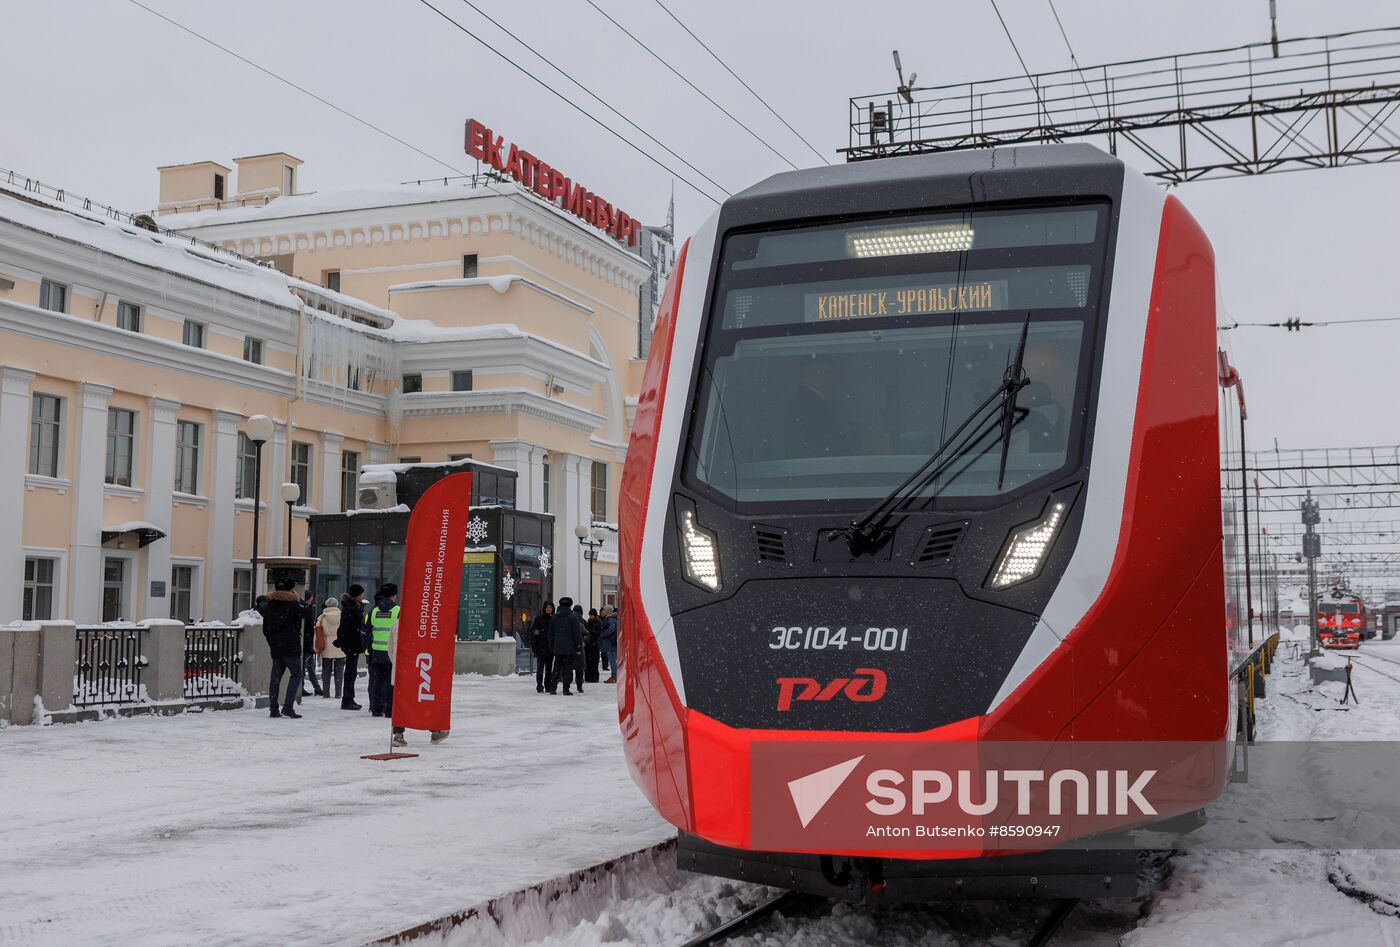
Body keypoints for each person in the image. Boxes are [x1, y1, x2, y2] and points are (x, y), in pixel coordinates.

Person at [258, 578, 306, 719]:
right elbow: (307, 614)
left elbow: (265, 629)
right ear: (291, 590)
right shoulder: (293, 605)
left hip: (276, 647)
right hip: (291, 646)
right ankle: (288, 706)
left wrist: (273, 641)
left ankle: (273, 709)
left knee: (276, 677)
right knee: (296, 674)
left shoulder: (269, 605)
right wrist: (299, 600)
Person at [366, 584, 398, 719]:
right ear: (393, 596)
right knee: (390, 681)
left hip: (376, 651)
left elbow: (367, 632)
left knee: (377, 680)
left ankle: (376, 708)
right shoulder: (397, 610)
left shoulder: (373, 611)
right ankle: (389, 709)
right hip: (391, 652)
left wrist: (369, 649)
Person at [335, 584, 366, 711]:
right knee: (350, 672)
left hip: (352, 643)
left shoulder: (353, 607)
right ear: (357, 595)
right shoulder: (351, 609)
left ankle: (349, 698)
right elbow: (345, 627)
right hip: (351, 644)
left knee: (351, 672)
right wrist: (342, 641)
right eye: (361, 593)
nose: (363, 596)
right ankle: (347, 699)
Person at [548, 597, 584, 695]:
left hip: (557, 647)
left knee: (556, 668)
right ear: (570, 605)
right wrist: (578, 647)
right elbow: (577, 634)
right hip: (570, 648)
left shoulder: (554, 617)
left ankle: (553, 688)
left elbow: (550, 634)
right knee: (568, 669)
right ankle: (566, 689)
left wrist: (551, 646)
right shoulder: (573, 617)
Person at [317, 597, 345, 701]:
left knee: (326, 670)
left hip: (327, 645)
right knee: (339, 670)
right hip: (339, 645)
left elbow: (318, 631)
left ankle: (326, 693)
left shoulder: (322, 617)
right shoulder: (342, 616)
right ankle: (338, 693)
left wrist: (317, 646)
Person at [300, 590, 323, 699]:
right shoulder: (306, 610)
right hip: (306, 644)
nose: (312, 599)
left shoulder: (305, 609)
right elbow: (308, 630)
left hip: (306, 643)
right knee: (308, 667)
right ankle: (315, 687)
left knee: (308, 666)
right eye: (311, 597)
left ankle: (314, 687)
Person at [531, 602, 555, 693]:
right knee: (540, 669)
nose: (548, 609)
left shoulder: (554, 619)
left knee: (549, 669)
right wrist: (535, 646)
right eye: (547, 607)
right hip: (541, 648)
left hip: (550, 649)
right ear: (544, 608)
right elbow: (534, 633)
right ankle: (539, 685)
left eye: (550, 607)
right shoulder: (539, 619)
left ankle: (548, 685)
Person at [600, 606, 618, 684]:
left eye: (604, 610)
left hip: (611, 642)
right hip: (612, 641)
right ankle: (614, 676)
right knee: (612, 659)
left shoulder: (611, 619)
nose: (603, 611)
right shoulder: (612, 618)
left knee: (612, 660)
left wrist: (604, 634)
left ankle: (614, 676)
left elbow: (611, 629)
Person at [584, 608, 602, 684]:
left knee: (594, 661)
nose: (590, 616)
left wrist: (591, 631)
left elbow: (598, 633)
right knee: (588, 661)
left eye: (592, 615)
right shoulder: (588, 622)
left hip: (595, 644)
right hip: (588, 644)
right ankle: (588, 677)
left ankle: (594, 677)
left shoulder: (598, 622)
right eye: (590, 615)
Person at [572, 603, 587, 693]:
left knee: (567, 666)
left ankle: (565, 682)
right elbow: (586, 634)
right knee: (579, 668)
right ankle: (579, 685)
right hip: (580, 648)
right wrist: (584, 642)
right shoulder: (583, 622)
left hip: (570, 646)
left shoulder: (571, 620)